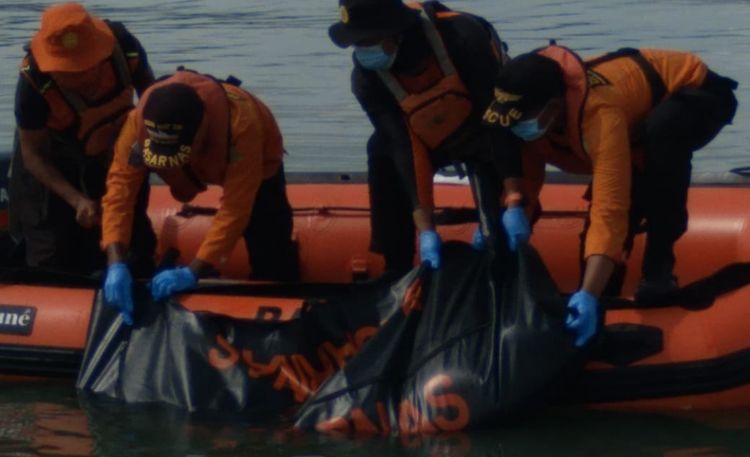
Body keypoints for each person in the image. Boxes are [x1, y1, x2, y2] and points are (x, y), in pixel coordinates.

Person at [484, 43, 738, 345]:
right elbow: (525, 183)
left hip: (695, 94)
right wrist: (504, 226)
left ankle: (659, 269)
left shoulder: (601, 115)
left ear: (554, 106)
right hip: (636, 122)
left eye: (520, 118)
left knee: (662, 138)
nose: (516, 126)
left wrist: (588, 294)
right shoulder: (530, 121)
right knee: (599, 244)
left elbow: (609, 207)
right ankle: (607, 294)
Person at [328, 0, 530, 275]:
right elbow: (403, 147)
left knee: (498, 236)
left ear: (394, 30)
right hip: (425, 138)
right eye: (356, 42)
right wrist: (426, 228)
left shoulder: (462, 37)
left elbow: (496, 118)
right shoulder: (366, 79)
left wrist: (514, 196)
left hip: (484, 131)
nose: (363, 49)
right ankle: (396, 266)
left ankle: (499, 252)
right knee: (381, 149)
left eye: (369, 39)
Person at [101, 69, 298, 325]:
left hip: (257, 158)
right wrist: (115, 261)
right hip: (176, 150)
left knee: (269, 235)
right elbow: (120, 192)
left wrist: (195, 271)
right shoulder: (137, 123)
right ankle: (134, 272)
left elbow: (236, 209)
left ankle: (280, 306)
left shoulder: (241, 125)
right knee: (129, 212)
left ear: (201, 131)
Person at [11, 2, 156, 276]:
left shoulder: (125, 48)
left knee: (136, 244)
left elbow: (155, 105)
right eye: (65, 71)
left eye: (82, 68)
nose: (76, 78)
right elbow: (33, 156)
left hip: (112, 153)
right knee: (51, 254)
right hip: (51, 166)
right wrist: (77, 200)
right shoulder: (32, 82)